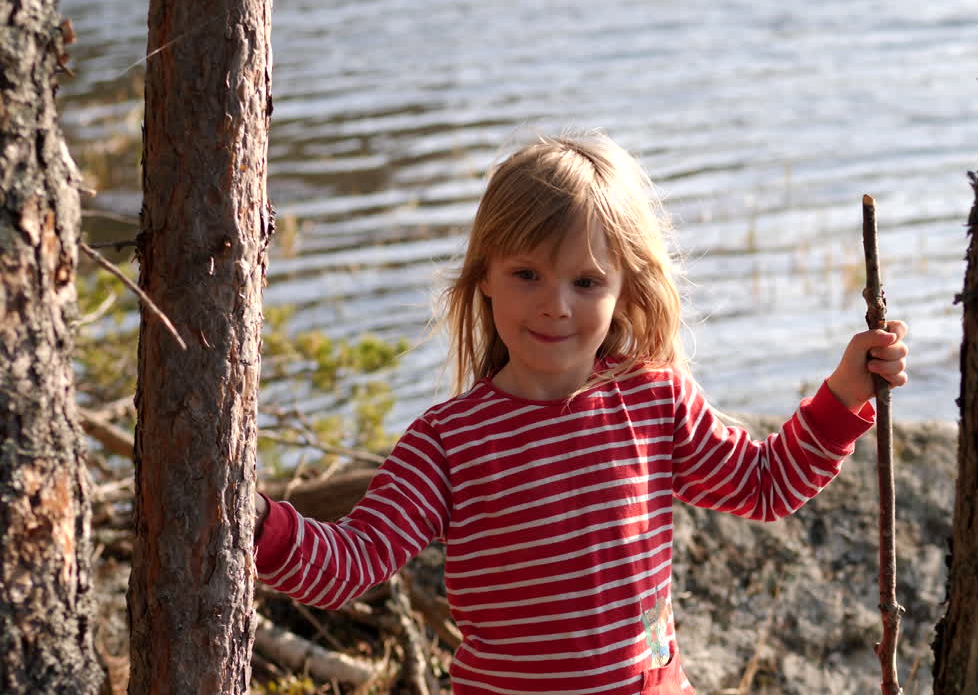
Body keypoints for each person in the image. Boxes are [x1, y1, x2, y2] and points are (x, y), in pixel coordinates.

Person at [253, 132, 909, 695]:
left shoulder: (654, 401)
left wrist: (845, 394)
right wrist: (256, 527)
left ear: (625, 289)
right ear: (484, 276)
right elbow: (353, 562)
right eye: (526, 274)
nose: (555, 306)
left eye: (586, 281)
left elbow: (764, 485)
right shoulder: (448, 442)